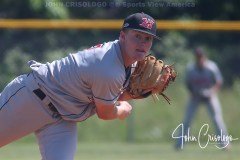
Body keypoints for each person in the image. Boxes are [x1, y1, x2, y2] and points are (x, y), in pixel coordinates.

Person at [0, 13, 160, 159]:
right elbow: (105, 112)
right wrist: (122, 110)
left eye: (148, 38)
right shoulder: (108, 68)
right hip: (32, 99)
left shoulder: (127, 62)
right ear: (123, 36)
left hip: (63, 118)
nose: (142, 43)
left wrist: (136, 93)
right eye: (137, 36)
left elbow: (108, 94)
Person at [175, 47, 230, 150]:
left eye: (201, 56)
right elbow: (187, 83)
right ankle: (179, 145)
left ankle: (225, 144)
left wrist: (212, 92)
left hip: (209, 96)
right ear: (195, 57)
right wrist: (192, 93)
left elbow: (218, 82)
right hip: (195, 96)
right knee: (187, 120)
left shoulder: (211, 67)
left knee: (217, 119)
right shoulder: (191, 68)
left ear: (204, 56)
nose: (199, 58)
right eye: (197, 56)